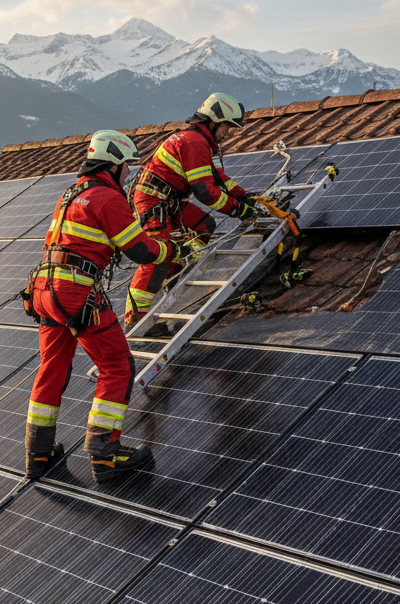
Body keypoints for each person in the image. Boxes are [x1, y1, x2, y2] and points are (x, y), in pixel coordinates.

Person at [24, 131, 177, 483]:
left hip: (44, 289)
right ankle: (105, 455)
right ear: (113, 163)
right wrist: (172, 251)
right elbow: (138, 250)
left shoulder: (70, 194)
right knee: (117, 365)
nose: (128, 175)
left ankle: (38, 453)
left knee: (53, 367)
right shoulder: (106, 196)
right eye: (127, 168)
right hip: (75, 290)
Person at [125, 92, 257, 330]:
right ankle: (137, 320)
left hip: (170, 200)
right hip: (152, 200)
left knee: (204, 226)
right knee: (157, 254)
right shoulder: (194, 142)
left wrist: (245, 196)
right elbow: (206, 192)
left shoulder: (203, 143)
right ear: (215, 121)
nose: (228, 133)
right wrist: (239, 211)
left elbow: (219, 179)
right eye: (227, 126)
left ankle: (173, 275)